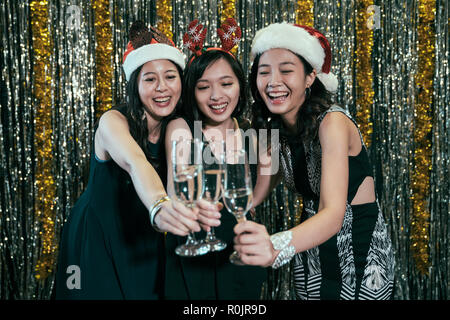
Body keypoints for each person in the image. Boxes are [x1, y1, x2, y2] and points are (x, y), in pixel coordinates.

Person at [233, 22, 394, 300]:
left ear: (310, 77)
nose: (273, 82)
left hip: (358, 253)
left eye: (286, 71)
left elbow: (333, 214)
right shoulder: (273, 128)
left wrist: (275, 245)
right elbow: (259, 190)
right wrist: (218, 205)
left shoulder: (332, 122)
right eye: (264, 72)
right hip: (310, 252)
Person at [54, 21, 201, 300]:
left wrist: (181, 208)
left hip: (145, 237)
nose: (162, 88)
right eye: (150, 79)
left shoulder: (178, 126)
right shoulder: (112, 122)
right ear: (135, 83)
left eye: (170, 77)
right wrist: (159, 204)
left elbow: (180, 179)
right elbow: (136, 163)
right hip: (100, 237)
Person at [163, 19, 267, 300]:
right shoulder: (182, 129)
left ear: (239, 86)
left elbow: (257, 192)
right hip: (194, 250)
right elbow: (177, 189)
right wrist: (188, 206)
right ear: (191, 93)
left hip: (240, 254)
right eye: (203, 87)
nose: (216, 96)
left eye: (226, 83)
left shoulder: (250, 134)